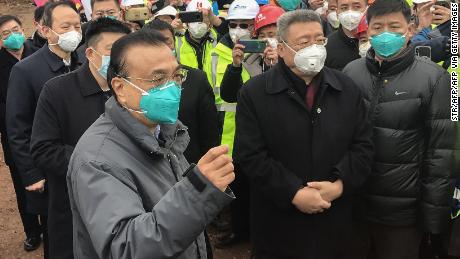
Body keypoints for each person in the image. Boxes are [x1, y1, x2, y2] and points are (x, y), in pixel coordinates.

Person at [67, 30, 235, 259]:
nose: (173, 88)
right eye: (157, 79)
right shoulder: (97, 159)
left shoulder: (164, 131)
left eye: (176, 76)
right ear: (120, 88)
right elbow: (127, 248)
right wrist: (198, 189)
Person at [233, 9, 373, 258]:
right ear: (283, 47)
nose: (314, 48)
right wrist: (293, 192)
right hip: (278, 224)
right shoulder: (255, 93)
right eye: (303, 42)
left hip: (336, 219)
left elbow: (363, 146)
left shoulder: (346, 88)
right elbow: (250, 155)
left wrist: (339, 186)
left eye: (319, 40)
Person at [342, 1, 457, 259]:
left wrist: (433, 215)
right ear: (368, 30)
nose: (385, 34)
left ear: (410, 29)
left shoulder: (435, 78)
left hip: (403, 213)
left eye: (394, 26)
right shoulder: (351, 72)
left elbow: (443, 153)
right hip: (355, 203)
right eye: (378, 27)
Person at [30, 18, 130, 259]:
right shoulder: (57, 91)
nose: (119, 59)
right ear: (90, 53)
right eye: (111, 51)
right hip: (74, 204)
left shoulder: (133, 90)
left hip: (127, 200)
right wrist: (97, 166)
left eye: (125, 52)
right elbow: (43, 148)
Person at [6, 2, 83, 258]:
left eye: (77, 25)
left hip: (85, 162)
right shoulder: (25, 70)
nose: (74, 31)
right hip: (51, 171)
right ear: (46, 31)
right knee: (58, 233)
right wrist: (30, 173)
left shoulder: (85, 61)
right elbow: (17, 127)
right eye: (65, 26)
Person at [216, 5, 283, 248]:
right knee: (242, 189)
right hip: (248, 138)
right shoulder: (247, 60)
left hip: (280, 139)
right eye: (263, 35)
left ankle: (270, 236)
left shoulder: (293, 61)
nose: (268, 41)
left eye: (274, 35)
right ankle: (241, 230)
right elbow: (228, 95)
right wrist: (235, 65)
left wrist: (278, 67)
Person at [142, 19, 220, 166]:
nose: (162, 47)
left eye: (166, 41)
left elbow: (209, 133)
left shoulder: (197, 79)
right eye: (154, 42)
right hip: (151, 165)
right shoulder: (139, 81)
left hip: (192, 166)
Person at [0, 14, 43, 253]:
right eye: (5, 33)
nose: (12, 35)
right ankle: (31, 231)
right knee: (22, 184)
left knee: (48, 181)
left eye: (15, 29)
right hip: (15, 135)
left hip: (44, 130)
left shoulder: (38, 52)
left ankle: (48, 226)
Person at [175, 0, 222, 87]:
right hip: (188, 96)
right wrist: (169, 30)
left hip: (214, 98)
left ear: (210, 22)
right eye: (194, 17)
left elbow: (228, 31)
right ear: (186, 22)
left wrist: (215, 20)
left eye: (203, 17)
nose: (199, 22)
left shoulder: (219, 39)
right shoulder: (176, 41)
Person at [325, 0, 368, 70]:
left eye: (357, 7)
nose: (350, 12)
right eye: (344, 8)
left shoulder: (377, 40)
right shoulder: (327, 47)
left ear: (367, 9)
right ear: (337, 12)